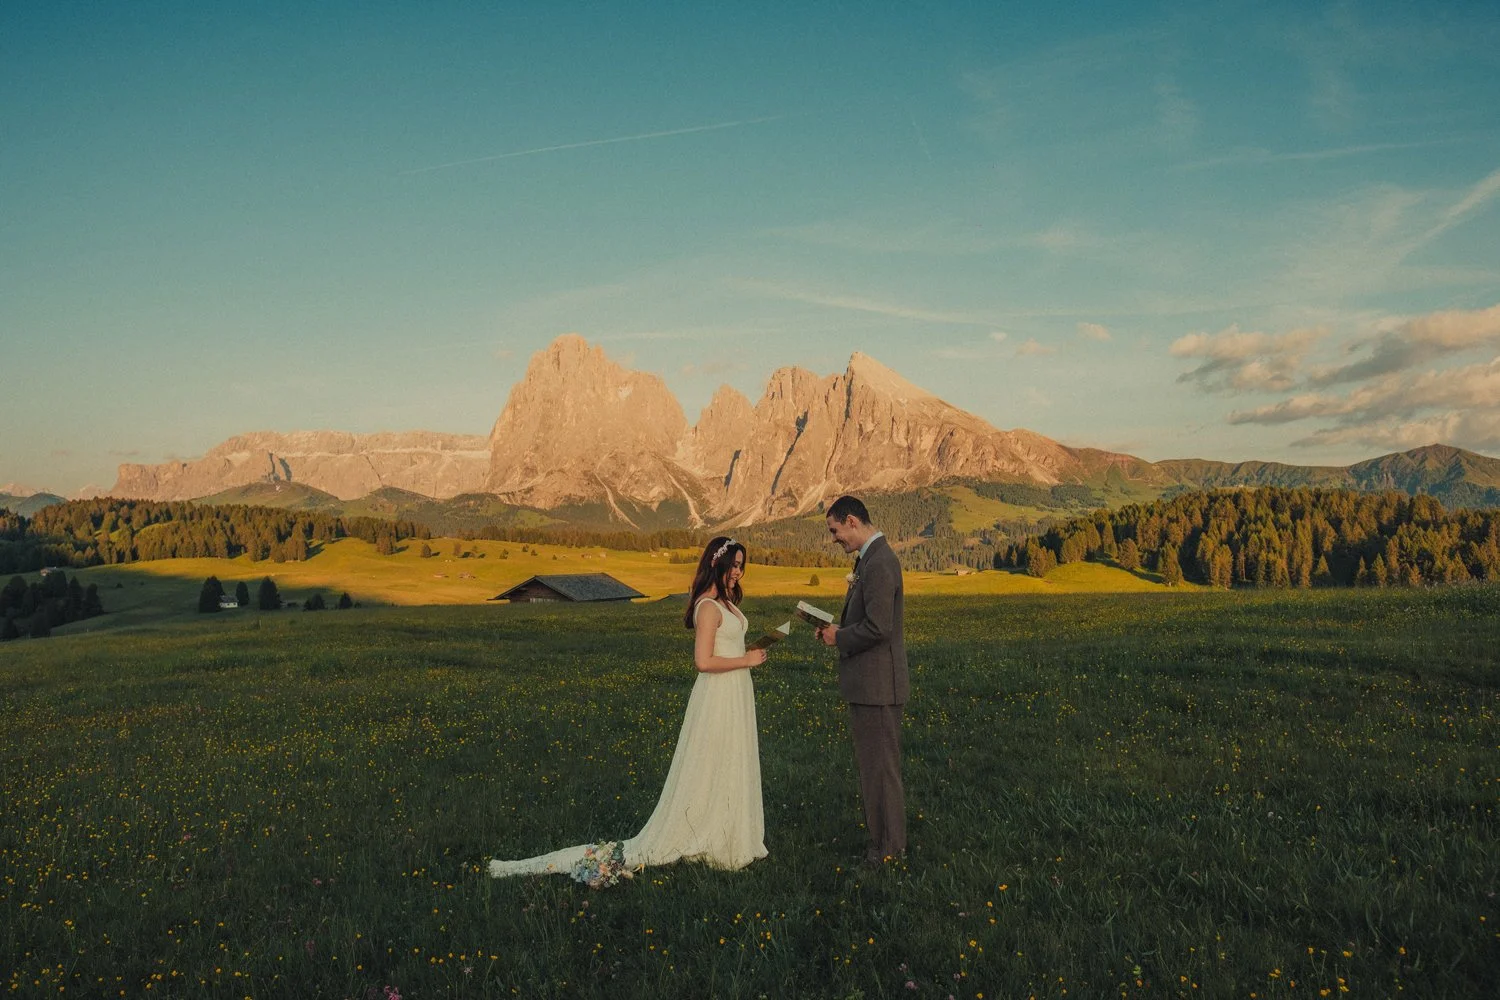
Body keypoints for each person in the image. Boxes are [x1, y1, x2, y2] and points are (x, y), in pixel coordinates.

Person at [488, 536, 768, 879]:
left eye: (742, 565)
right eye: (734, 564)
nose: (738, 571)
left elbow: (726, 648)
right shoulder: (708, 606)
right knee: (713, 758)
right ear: (717, 563)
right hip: (719, 693)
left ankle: (730, 827)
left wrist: (749, 655)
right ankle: (706, 829)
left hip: (736, 689)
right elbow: (703, 661)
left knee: (732, 757)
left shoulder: (726, 603)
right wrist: (747, 659)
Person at [816, 495, 909, 864]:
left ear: (852, 521)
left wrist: (839, 637)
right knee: (874, 769)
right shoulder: (870, 560)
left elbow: (879, 627)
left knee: (881, 771)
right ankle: (882, 843)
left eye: (835, 530)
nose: (834, 538)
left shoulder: (880, 563)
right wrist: (839, 628)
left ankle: (889, 850)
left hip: (879, 686)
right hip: (871, 685)